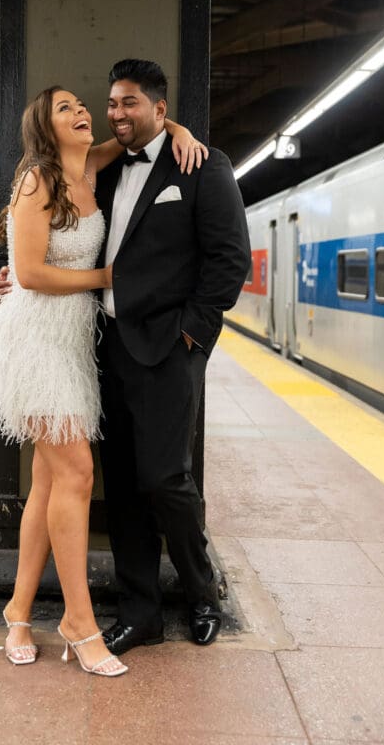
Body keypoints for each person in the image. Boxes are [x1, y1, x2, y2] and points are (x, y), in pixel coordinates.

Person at [0, 84, 207, 677]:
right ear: (44, 126)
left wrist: (182, 132)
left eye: (83, 106)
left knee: (46, 483)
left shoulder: (92, 165)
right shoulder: (39, 180)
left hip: (74, 343)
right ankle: (78, 622)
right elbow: (29, 273)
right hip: (36, 342)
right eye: (67, 109)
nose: (83, 112)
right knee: (79, 471)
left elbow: (148, 136)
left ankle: (16, 613)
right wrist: (111, 275)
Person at [95, 59, 250, 655]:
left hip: (168, 349)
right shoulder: (106, 170)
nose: (116, 113)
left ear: (160, 109)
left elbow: (229, 259)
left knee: (167, 480)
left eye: (129, 103)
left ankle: (202, 594)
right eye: (112, 103)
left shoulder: (204, 166)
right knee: (125, 485)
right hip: (106, 347)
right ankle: (141, 612)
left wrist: (194, 336)